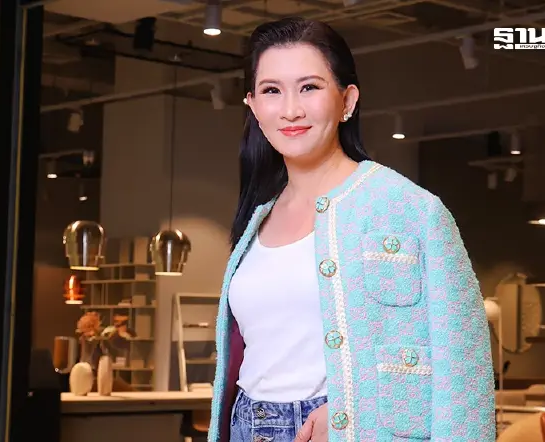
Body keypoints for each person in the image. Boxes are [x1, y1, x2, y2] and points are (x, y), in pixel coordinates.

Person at [206, 16, 495, 442]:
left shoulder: (411, 211)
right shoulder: (258, 218)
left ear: (347, 100)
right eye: (271, 90)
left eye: (309, 87)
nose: (290, 109)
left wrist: (350, 412)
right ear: (253, 106)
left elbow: (464, 368)